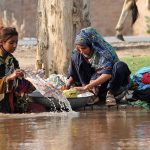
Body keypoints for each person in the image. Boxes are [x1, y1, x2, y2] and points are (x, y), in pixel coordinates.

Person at [65, 27, 131, 106]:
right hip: (93, 86)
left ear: (92, 45)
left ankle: (110, 94)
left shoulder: (104, 53)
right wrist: (67, 84)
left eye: (84, 48)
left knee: (121, 66)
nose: (81, 51)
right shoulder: (79, 53)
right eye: (78, 48)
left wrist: (88, 86)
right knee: (76, 56)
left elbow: (107, 74)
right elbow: (74, 72)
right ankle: (91, 94)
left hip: (110, 83)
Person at [0, 27, 35, 113]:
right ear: (2, 42)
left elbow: (19, 84)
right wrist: (8, 78)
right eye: (11, 42)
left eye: (16, 42)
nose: (15, 45)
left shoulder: (13, 61)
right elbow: (10, 79)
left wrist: (32, 82)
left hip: (9, 103)